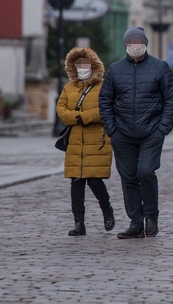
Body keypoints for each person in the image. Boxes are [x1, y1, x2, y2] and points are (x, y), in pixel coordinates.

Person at [99, 26, 173, 239]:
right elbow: (105, 100)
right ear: (125, 46)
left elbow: (171, 99)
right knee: (128, 177)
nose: (136, 47)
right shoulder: (115, 70)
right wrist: (112, 129)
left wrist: (163, 128)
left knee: (145, 171)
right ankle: (136, 222)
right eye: (131, 43)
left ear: (145, 44)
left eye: (139, 43)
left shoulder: (160, 67)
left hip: (151, 132)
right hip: (122, 133)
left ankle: (151, 216)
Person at [56, 46, 115, 237]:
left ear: (93, 65)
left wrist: (85, 117)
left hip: (96, 139)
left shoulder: (103, 86)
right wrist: (75, 118)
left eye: (85, 64)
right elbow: (61, 109)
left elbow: (107, 109)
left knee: (95, 180)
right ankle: (78, 222)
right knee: (76, 182)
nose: (81, 68)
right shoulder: (69, 88)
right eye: (78, 65)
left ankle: (107, 211)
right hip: (75, 142)